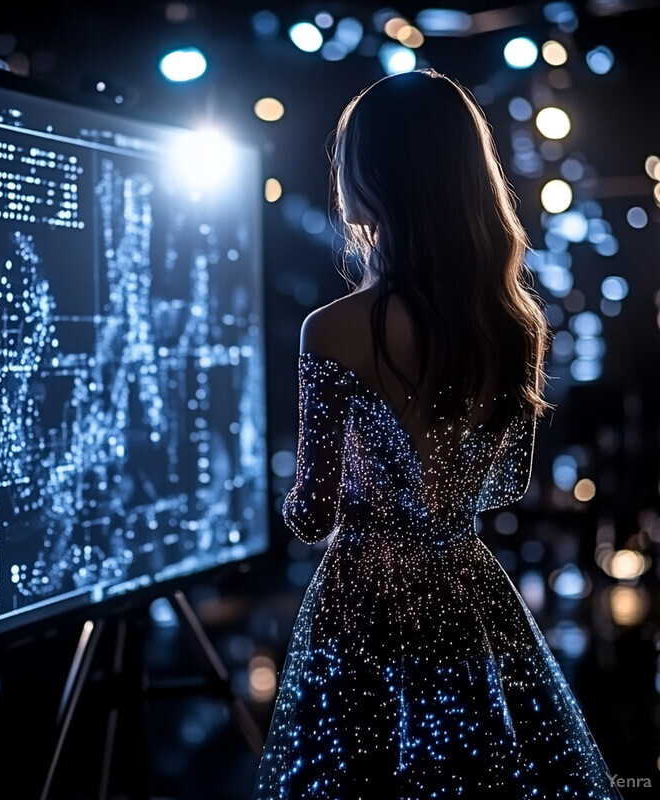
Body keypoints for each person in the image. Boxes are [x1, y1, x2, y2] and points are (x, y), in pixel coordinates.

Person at [252, 69, 622, 800]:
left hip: (361, 603)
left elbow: (312, 514)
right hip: (468, 593)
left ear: (373, 173)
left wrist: (295, 492)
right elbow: (505, 486)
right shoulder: (515, 325)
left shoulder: (330, 330)